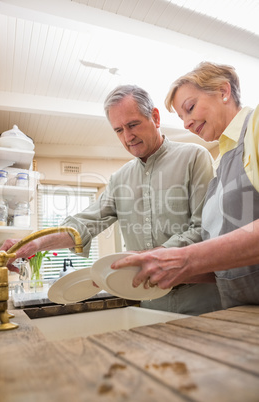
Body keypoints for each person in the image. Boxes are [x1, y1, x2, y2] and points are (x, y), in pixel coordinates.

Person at [0, 84, 222, 315]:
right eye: (118, 130)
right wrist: (34, 243)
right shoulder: (120, 178)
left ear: (155, 117)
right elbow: (83, 225)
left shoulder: (194, 157)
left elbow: (203, 230)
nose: (127, 137)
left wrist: (146, 257)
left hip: (199, 301)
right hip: (148, 304)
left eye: (133, 124)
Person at [111, 63, 259, 310]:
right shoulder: (221, 162)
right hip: (241, 311)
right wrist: (157, 269)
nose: (186, 124)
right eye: (181, 117)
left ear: (224, 91)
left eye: (190, 108)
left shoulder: (256, 126)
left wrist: (186, 258)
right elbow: (231, 266)